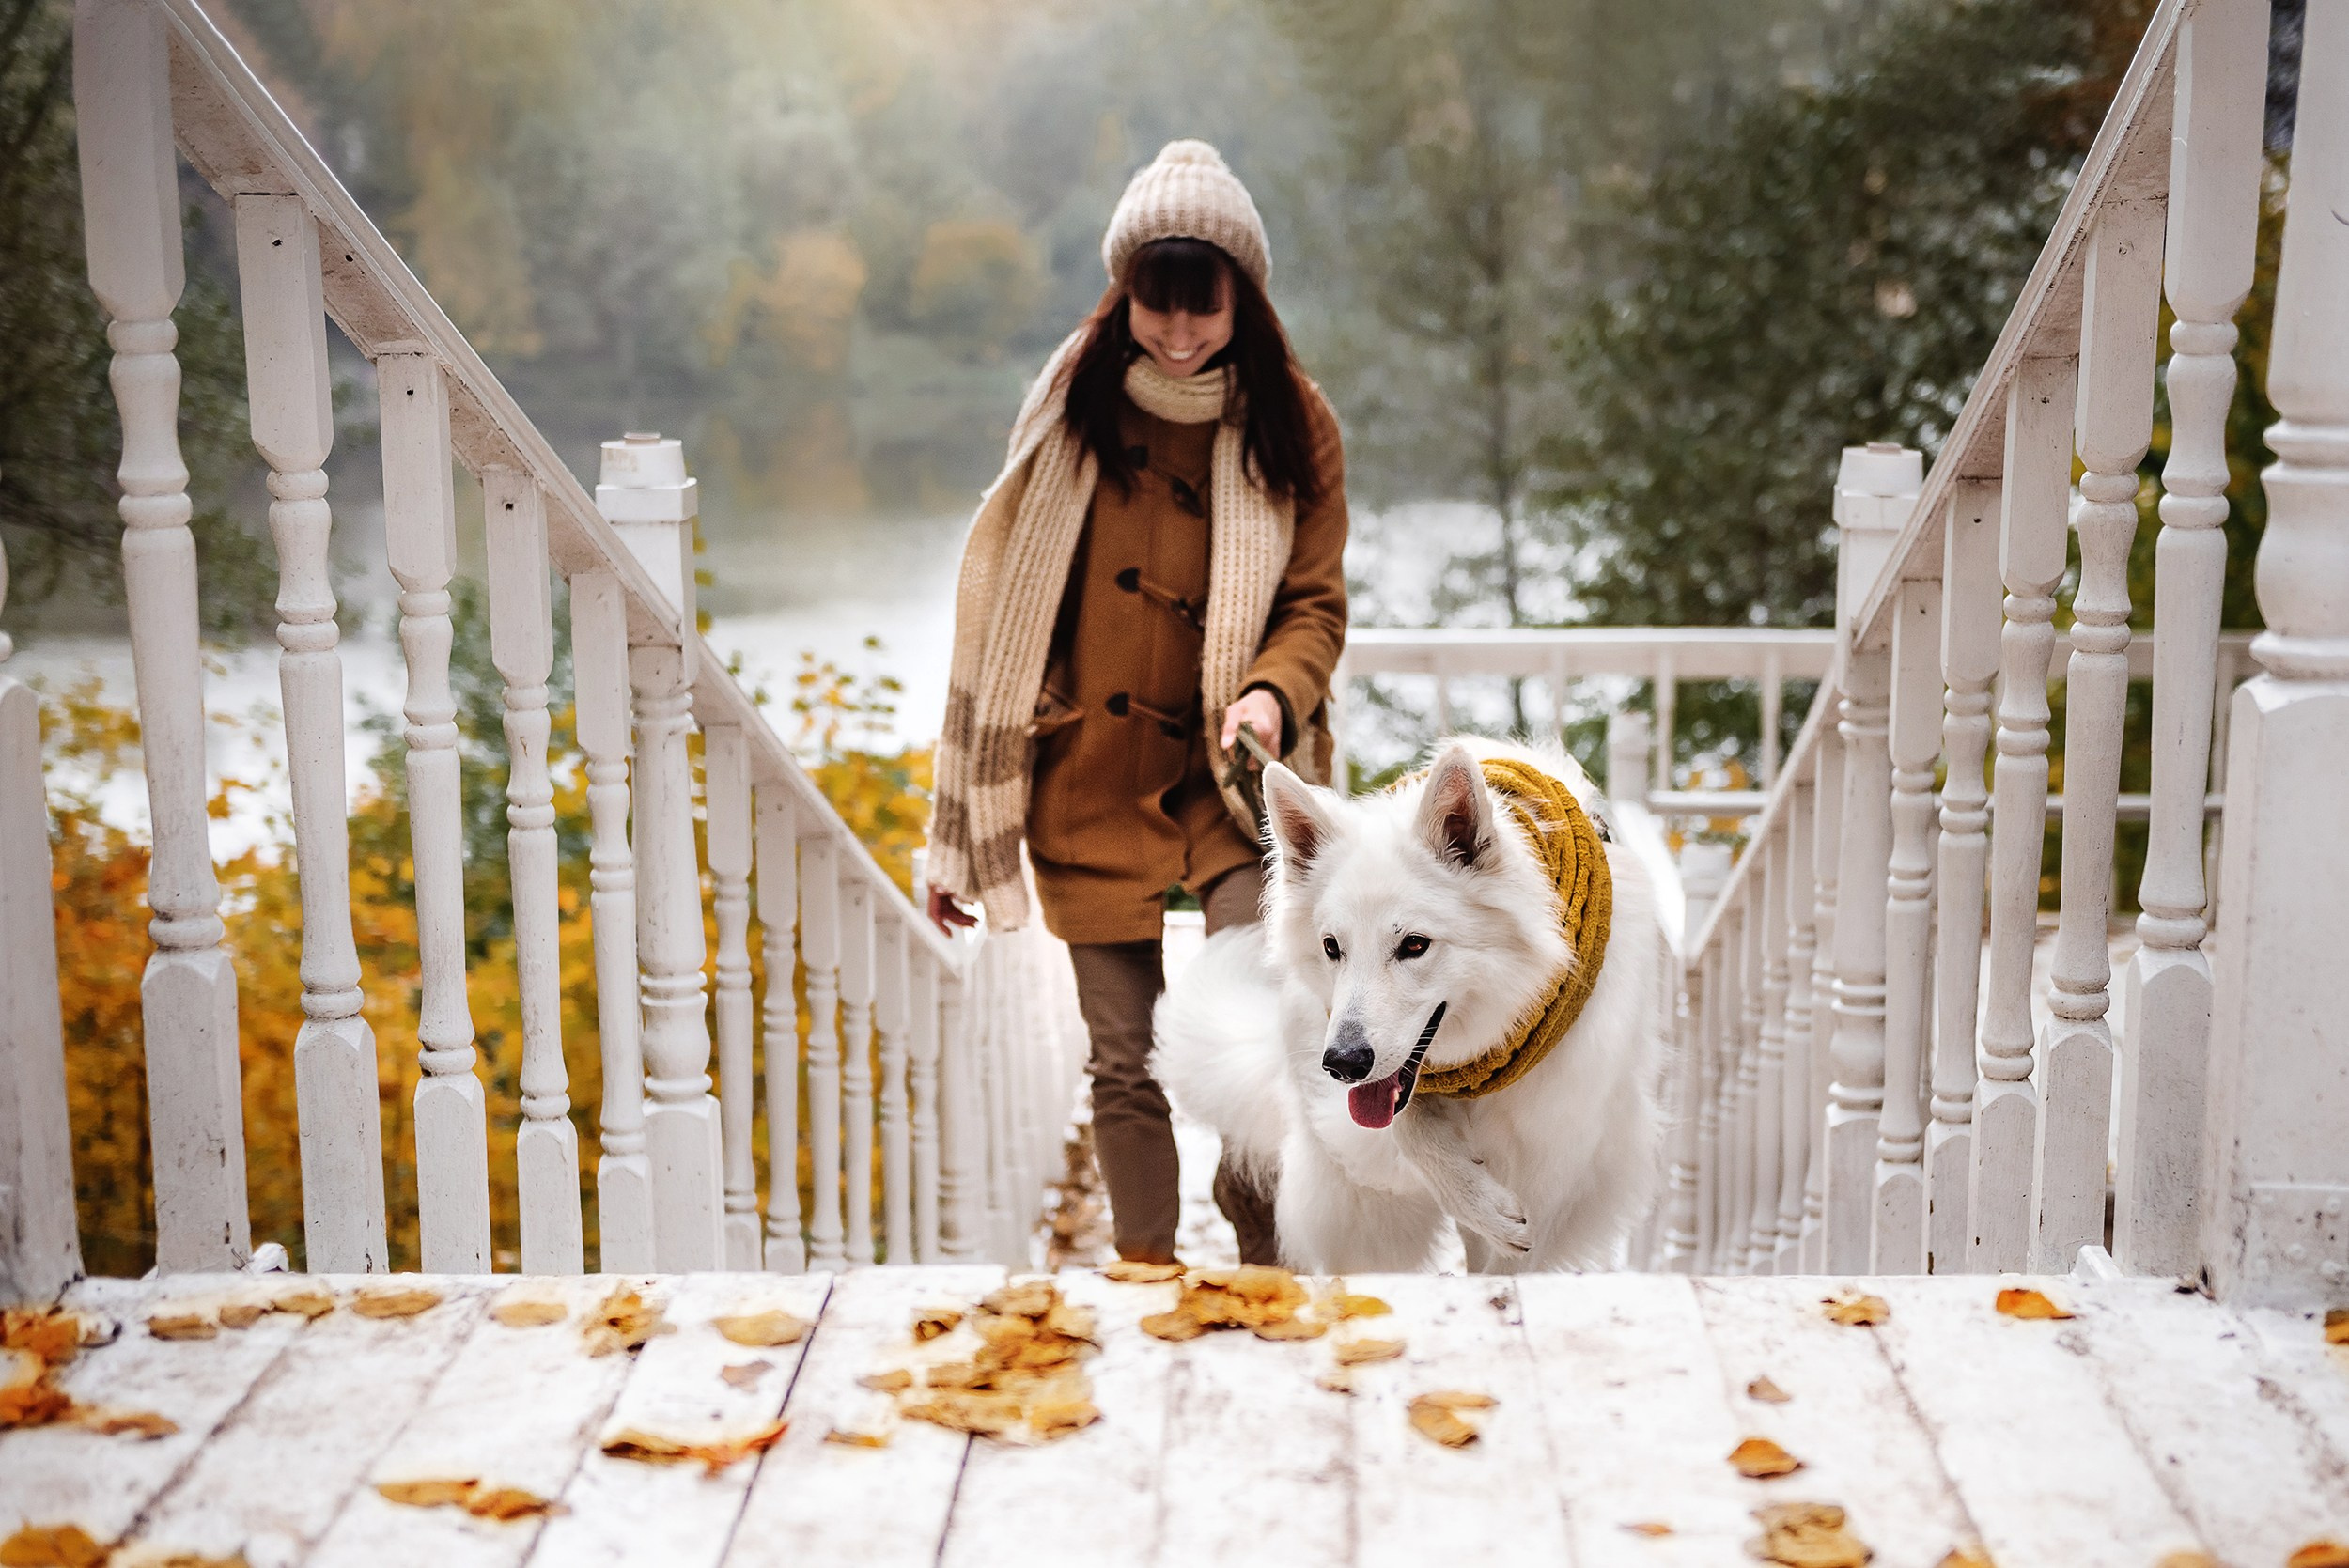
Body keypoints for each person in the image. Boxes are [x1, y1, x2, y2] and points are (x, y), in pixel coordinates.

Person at [925, 139, 1348, 1266]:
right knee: (1124, 1060)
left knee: (1260, 1031)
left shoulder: (1292, 422)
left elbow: (1314, 604)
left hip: (1235, 786)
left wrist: (1270, 693)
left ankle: (1263, 1256)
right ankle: (1148, 1272)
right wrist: (960, 832)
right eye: (1154, 309)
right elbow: (1002, 610)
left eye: (1199, 311)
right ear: (1125, 296)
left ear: (1239, 299)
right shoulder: (1070, 405)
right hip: (1085, 780)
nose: (1175, 334)